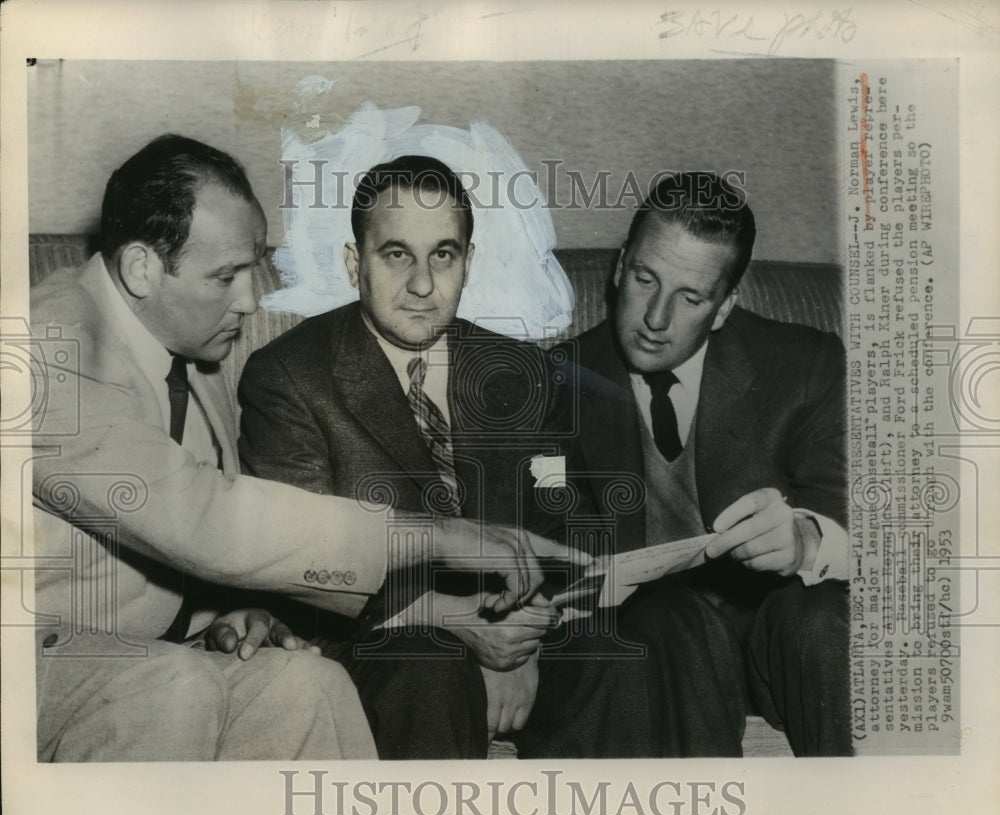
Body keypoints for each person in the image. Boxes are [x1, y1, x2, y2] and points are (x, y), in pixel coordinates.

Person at [30, 135, 561, 762]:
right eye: (226, 277)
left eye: (252, 268)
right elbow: (201, 515)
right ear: (141, 268)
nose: (251, 300)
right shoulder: (48, 347)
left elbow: (217, 534)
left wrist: (236, 610)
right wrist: (437, 536)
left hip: (160, 652)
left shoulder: (187, 346)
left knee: (310, 685)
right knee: (178, 686)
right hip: (38, 652)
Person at [239, 155, 659, 759]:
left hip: (515, 628)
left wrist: (522, 640)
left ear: (468, 262)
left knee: (622, 654)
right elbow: (301, 564)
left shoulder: (522, 372)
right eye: (396, 254)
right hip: (385, 643)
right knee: (429, 667)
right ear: (355, 263)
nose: (422, 284)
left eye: (443, 254)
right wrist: (460, 624)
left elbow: (564, 527)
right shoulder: (289, 377)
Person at [562, 171, 850, 756]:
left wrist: (806, 540)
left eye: (690, 298)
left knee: (818, 617)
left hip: (771, 643)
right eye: (645, 279)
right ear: (619, 267)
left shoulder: (805, 366)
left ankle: (872, 796)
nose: (655, 318)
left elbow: (867, 519)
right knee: (674, 621)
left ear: (723, 308)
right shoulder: (552, 383)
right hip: (655, 645)